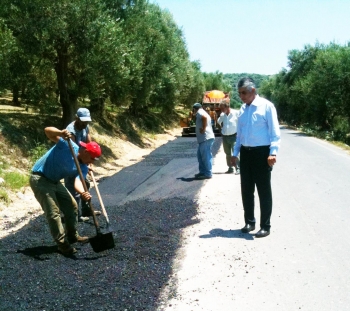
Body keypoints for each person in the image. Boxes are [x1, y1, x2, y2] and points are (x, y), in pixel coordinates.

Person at [30, 127, 102, 255]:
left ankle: (72, 235)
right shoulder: (68, 145)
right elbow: (47, 131)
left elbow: (78, 182)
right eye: (92, 159)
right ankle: (63, 245)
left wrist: (82, 193)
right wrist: (60, 133)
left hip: (55, 181)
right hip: (40, 179)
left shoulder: (84, 166)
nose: (92, 162)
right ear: (85, 152)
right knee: (53, 213)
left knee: (72, 206)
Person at [231, 77, 281, 238]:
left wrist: (273, 152)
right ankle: (249, 222)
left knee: (263, 190)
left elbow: (274, 132)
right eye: (239, 93)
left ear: (253, 90)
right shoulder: (242, 109)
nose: (241, 96)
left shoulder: (266, 106)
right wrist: (235, 153)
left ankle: (265, 225)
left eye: (244, 93)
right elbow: (239, 135)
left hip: (262, 153)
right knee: (246, 189)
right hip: (246, 153)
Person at [65, 108, 99, 222]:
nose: (85, 124)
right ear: (76, 118)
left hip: (82, 158)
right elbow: (74, 151)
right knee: (73, 190)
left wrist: (90, 159)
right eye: (83, 121)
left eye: (87, 122)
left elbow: (89, 144)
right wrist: (84, 161)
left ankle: (86, 210)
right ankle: (76, 216)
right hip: (71, 160)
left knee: (86, 184)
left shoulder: (85, 127)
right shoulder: (70, 131)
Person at [193, 103, 215, 179]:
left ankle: (208, 173)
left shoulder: (200, 112)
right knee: (200, 155)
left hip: (205, 138)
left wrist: (203, 128)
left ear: (194, 109)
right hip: (203, 139)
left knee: (206, 156)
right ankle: (202, 172)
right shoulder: (202, 111)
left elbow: (204, 118)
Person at [217, 101, 240, 174]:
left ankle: (238, 168)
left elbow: (241, 123)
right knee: (227, 153)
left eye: (223, 108)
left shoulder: (236, 113)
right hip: (225, 137)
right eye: (221, 109)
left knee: (235, 152)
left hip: (234, 136)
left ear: (227, 107)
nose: (222, 110)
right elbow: (218, 122)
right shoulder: (222, 115)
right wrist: (221, 130)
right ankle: (230, 168)